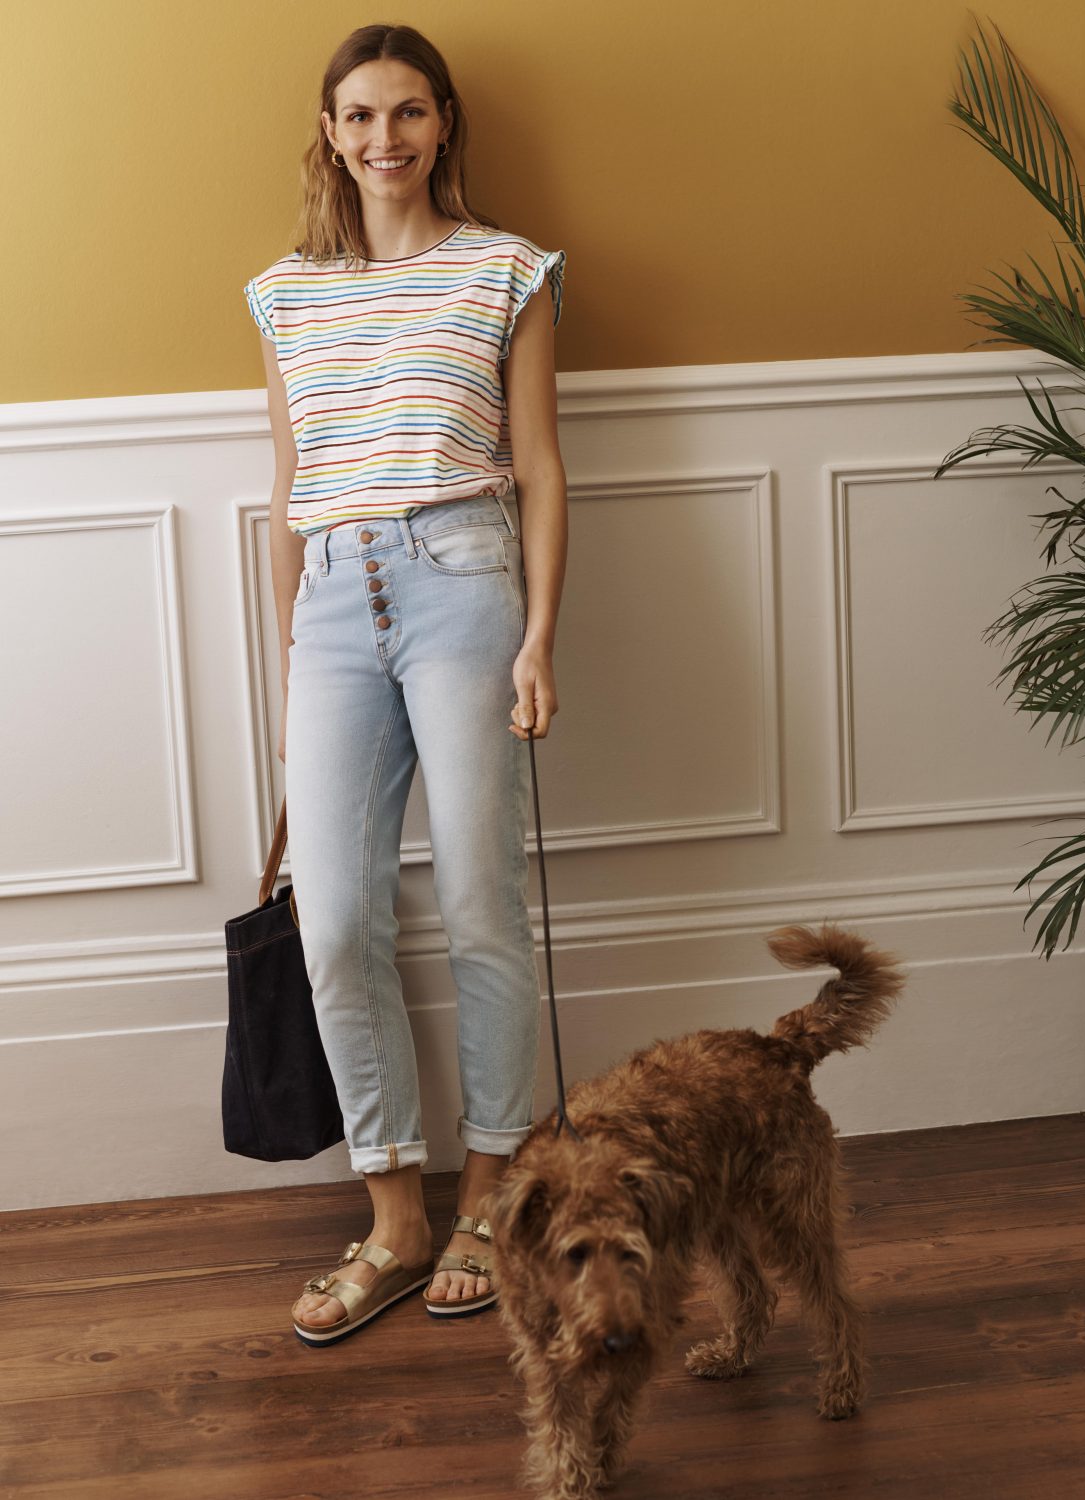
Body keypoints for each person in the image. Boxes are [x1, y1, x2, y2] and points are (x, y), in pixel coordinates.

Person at [242, 23, 567, 1343]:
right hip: (331, 599)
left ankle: (488, 1195)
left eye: (411, 112)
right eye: (362, 115)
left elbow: (539, 467)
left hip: (465, 581)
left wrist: (540, 638)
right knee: (334, 923)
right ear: (330, 133)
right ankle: (395, 1218)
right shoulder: (282, 295)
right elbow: (290, 488)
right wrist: (289, 660)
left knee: (482, 903)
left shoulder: (506, 269)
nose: (387, 138)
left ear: (444, 125)